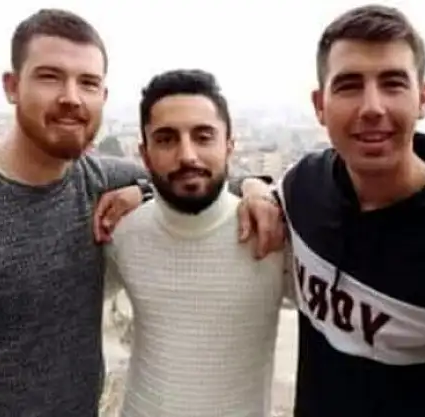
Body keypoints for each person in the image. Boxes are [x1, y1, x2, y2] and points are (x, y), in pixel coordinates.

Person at [0, 9, 280, 416]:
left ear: (103, 95)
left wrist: (256, 189)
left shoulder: (96, 181)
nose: (71, 97)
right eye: (50, 77)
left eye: (88, 82)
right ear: (12, 87)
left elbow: (190, 177)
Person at [241, 5, 425, 417]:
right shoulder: (304, 187)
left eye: (392, 83)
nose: (372, 107)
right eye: (349, 85)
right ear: (320, 105)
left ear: (423, 98)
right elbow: (259, 194)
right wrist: (254, 189)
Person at [104, 69, 290, 417]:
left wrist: (258, 188)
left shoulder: (272, 234)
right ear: (145, 155)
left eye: (203, 137)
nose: (187, 155)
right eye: (166, 139)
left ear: (229, 146)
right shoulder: (123, 234)